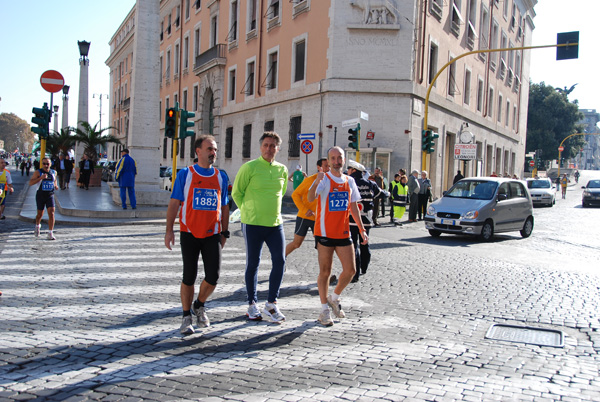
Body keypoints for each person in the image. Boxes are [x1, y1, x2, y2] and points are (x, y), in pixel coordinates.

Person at [165, 135, 230, 335]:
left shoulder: (221, 176)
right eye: (210, 148)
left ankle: (199, 304)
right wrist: (169, 230)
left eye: (215, 149)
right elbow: (174, 203)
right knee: (189, 276)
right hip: (189, 232)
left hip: (212, 234)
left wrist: (225, 232)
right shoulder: (186, 174)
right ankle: (186, 316)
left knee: (213, 276)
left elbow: (225, 205)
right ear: (198, 151)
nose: (213, 153)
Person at [232, 132, 288, 324]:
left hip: (275, 224)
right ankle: (251, 303)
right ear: (260, 147)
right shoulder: (249, 167)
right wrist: (248, 211)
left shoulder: (282, 170)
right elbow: (236, 193)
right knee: (253, 264)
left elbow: (280, 194)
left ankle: (271, 303)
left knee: (280, 262)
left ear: (277, 149)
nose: (269, 149)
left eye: (273, 146)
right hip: (253, 223)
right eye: (265, 145)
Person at [307, 146, 367, 327]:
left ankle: (334, 297)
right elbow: (310, 198)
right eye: (332, 158)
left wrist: (362, 229)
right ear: (328, 160)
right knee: (325, 272)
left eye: (339, 157)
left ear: (343, 159)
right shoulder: (324, 179)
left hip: (343, 232)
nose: (336, 161)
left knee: (351, 270)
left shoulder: (349, 181)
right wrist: (316, 182)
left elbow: (354, 206)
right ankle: (324, 311)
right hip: (324, 233)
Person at [347, 160, 386, 283]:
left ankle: (355, 274)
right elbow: (382, 194)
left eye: (349, 169)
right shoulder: (370, 183)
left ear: (353, 171)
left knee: (354, 246)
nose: (347, 171)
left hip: (352, 219)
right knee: (365, 243)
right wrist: (389, 193)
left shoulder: (350, 183)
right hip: (366, 220)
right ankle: (364, 268)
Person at [285, 158, 329, 257]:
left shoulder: (331, 181)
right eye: (326, 166)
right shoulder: (310, 180)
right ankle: (281, 259)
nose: (328, 168)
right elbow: (295, 195)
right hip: (304, 217)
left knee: (323, 246)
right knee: (296, 244)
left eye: (329, 166)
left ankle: (325, 272)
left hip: (319, 219)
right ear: (319, 168)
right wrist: (305, 210)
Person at [29, 157, 59, 240]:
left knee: (51, 212)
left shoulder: (53, 172)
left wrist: (55, 185)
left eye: (47, 164)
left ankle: (50, 233)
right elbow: (30, 183)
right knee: (40, 214)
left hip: (50, 195)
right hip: (40, 195)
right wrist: (40, 178)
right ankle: (37, 226)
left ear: (50, 164)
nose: (46, 165)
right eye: (44, 164)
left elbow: (55, 180)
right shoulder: (38, 172)